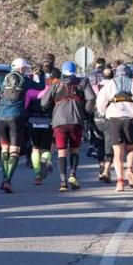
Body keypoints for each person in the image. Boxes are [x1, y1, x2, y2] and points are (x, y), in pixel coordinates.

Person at [0, 58, 35, 193]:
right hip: (16, 117)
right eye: (25, 69)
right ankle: (7, 180)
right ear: (20, 69)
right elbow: (39, 89)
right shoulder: (26, 81)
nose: (25, 71)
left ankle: (4, 177)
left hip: (0, 116)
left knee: (4, 149)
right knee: (15, 150)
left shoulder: (1, 79)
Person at [96, 63, 133, 192]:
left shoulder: (110, 84)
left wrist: (104, 113)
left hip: (114, 118)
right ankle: (129, 170)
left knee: (117, 152)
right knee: (131, 148)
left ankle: (119, 182)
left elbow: (100, 101)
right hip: (130, 119)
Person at [40, 61, 88, 191]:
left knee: (61, 152)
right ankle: (72, 174)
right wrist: (86, 112)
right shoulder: (82, 83)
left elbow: (44, 103)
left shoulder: (55, 84)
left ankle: (62, 182)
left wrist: (53, 108)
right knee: (74, 149)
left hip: (59, 122)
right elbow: (92, 98)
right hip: (76, 120)